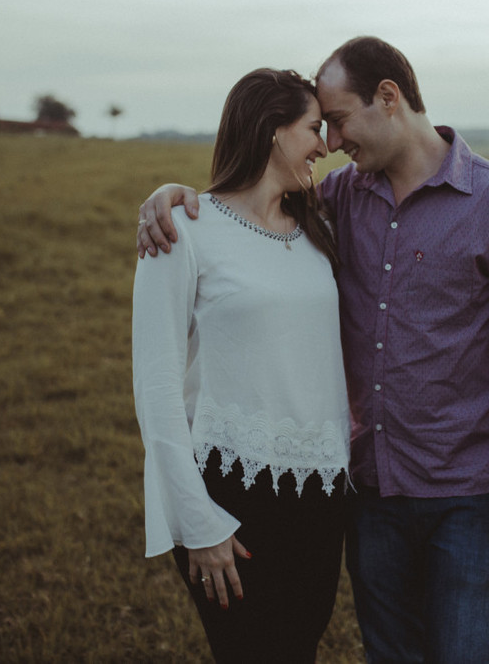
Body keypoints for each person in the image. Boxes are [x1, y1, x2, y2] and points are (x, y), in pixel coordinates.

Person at [138, 38, 489, 663]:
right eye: (321, 126)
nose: (333, 141)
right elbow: (248, 216)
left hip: (471, 493)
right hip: (371, 495)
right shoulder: (337, 201)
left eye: (337, 120)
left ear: (389, 98)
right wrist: (171, 196)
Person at [131, 68, 350, 664]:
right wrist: (198, 520)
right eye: (313, 128)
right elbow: (155, 390)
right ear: (272, 131)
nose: (326, 145)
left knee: (297, 650)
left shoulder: (318, 228)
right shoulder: (184, 231)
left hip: (323, 491)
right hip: (231, 494)